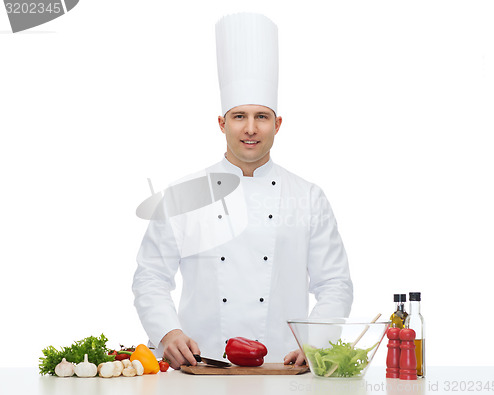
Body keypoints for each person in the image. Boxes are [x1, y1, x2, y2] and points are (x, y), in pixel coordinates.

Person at [132, 12, 353, 370]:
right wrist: (168, 332)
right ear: (221, 123)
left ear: (278, 124)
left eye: (262, 117)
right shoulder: (183, 195)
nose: (250, 129)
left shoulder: (308, 197)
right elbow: (151, 276)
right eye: (239, 117)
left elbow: (335, 283)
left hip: (283, 369)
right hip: (201, 366)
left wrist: (317, 343)